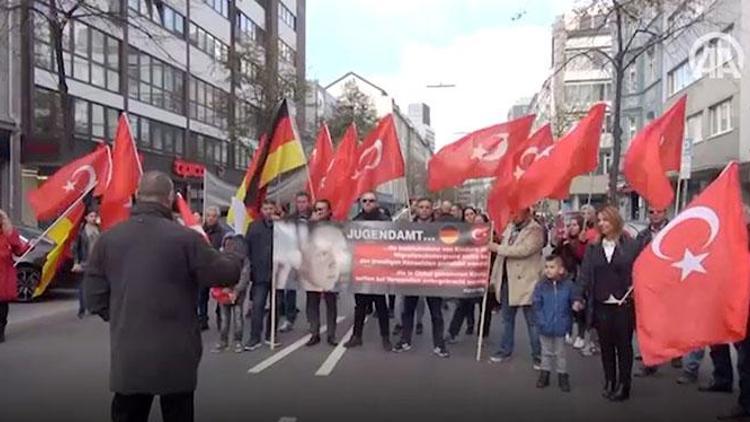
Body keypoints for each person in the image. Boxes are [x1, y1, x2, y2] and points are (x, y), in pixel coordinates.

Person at [84, 171, 242, 422]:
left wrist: (124, 315)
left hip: (130, 350)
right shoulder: (186, 239)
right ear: (170, 199)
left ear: (137, 195)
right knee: (178, 412)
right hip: (178, 351)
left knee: (128, 412)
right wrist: (236, 248)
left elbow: (94, 297)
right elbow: (226, 274)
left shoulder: (108, 239)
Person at [579, 206, 640, 402]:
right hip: (601, 302)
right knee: (605, 345)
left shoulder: (630, 245)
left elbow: (640, 270)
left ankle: (624, 384)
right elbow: (585, 274)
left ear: (615, 221)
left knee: (623, 346)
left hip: (623, 303)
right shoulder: (593, 246)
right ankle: (610, 380)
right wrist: (577, 297)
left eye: (606, 220)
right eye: (600, 220)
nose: (603, 224)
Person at [488, 208, 545, 368]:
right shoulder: (510, 228)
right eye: (511, 213)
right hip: (507, 280)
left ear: (527, 213)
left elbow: (523, 250)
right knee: (507, 320)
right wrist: (494, 277)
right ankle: (505, 350)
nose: (512, 216)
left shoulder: (536, 230)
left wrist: (497, 247)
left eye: (516, 213)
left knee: (532, 322)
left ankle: (538, 355)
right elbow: (502, 255)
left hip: (527, 282)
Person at [393, 197, 449, 358]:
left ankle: (439, 344)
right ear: (416, 209)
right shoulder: (408, 226)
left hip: (433, 276)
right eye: (421, 207)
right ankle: (405, 340)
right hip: (413, 275)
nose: (424, 210)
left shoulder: (440, 228)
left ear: (432, 210)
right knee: (408, 311)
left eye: (427, 207)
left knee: (436, 313)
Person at [344, 192, 391, 351]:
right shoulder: (356, 221)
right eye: (365, 201)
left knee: (381, 305)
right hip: (362, 269)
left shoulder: (385, 221)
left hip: (378, 269)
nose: (368, 203)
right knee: (360, 306)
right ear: (361, 203)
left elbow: (391, 241)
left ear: (376, 202)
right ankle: (357, 336)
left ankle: (386, 337)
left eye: (371, 201)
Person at [533, 255, 584, 392]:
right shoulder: (541, 286)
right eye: (546, 267)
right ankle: (545, 373)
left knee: (560, 353)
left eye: (552, 267)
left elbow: (575, 298)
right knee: (546, 352)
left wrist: (576, 303)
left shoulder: (568, 285)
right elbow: (537, 305)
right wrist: (541, 321)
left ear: (561, 270)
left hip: (561, 325)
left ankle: (562, 375)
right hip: (545, 324)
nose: (548, 270)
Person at [245, 200, 284, 351]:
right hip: (259, 273)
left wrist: (282, 225)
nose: (268, 211)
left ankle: (271, 335)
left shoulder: (282, 226)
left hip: (278, 274)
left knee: (276, 306)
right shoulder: (253, 226)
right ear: (261, 210)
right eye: (265, 208)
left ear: (275, 210)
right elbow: (247, 247)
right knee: (257, 306)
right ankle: (255, 337)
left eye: (271, 208)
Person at [305, 199, 338, 346]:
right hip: (313, 270)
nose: (319, 212)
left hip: (329, 270)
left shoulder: (336, 226)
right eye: (317, 209)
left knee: (331, 303)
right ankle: (314, 333)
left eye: (322, 209)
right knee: (312, 302)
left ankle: (331, 335)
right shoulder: (308, 226)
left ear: (329, 211)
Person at [446, 206, 482, 343]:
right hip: (467, 274)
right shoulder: (460, 232)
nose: (469, 217)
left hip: (481, 274)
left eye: (471, 214)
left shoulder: (484, 231)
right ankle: (452, 332)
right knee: (463, 304)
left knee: (483, 306)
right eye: (466, 215)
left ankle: (481, 333)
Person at [552, 215, 587, 349]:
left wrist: (573, 247)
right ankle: (568, 331)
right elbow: (555, 254)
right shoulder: (565, 240)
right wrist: (559, 243)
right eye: (570, 225)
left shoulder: (583, 241)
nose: (572, 228)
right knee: (565, 305)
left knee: (578, 307)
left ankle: (581, 335)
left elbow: (582, 258)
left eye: (575, 225)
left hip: (578, 277)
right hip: (565, 276)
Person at [279, 192, 312, 333]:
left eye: (304, 201)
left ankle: (312, 322)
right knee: (289, 290)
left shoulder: (314, 217)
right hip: (293, 257)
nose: (301, 204)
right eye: (299, 202)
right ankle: (289, 319)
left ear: (308, 202)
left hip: (310, 258)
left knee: (312, 290)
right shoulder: (290, 219)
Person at [213, 234, 250, 354]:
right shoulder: (219, 257)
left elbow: (245, 276)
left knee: (238, 317)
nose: (229, 246)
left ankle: (237, 341)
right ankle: (223, 341)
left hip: (237, 293)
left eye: (232, 243)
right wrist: (222, 288)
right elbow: (217, 273)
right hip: (224, 292)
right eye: (227, 243)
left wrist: (236, 290)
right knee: (224, 318)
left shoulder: (243, 259)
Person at [0, 209, 28, 343]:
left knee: (2, 305)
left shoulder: (9, 235)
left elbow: (19, 250)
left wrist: (29, 246)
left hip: (4, 275)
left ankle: (0, 331)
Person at [198, 206, 226, 331]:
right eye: (208, 215)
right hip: (203, 268)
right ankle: (203, 320)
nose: (210, 218)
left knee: (219, 295)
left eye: (213, 216)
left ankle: (221, 319)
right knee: (201, 296)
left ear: (218, 218)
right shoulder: (200, 230)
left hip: (216, 267)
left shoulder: (222, 232)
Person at [73, 210, 101, 318]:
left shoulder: (99, 229)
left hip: (97, 261)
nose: (93, 218)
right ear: (86, 218)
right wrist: (76, 262)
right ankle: (82, 308)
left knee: (94, 285)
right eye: (91, 216)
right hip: (85, 261)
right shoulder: (81, 231)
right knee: (83, 286)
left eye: (95, 216)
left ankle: (92, 307)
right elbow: (76, 248)